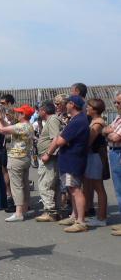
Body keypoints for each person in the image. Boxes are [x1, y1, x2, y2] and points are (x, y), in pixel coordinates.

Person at [43, 95, 90, 233]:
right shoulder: (77, 119)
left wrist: (51, 150)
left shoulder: (77, 121)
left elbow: (60, 140)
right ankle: (75, 216)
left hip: (72, 161)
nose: (65, 105)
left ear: (73, 104)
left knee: (75, 189)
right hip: (69, 159)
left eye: (67, 102)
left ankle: (81, 221)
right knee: (71, 189)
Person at [0, 104, 34, 222]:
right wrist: (1, 119)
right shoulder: (27, 126)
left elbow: (1, 130)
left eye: (19, 112)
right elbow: (9, 127)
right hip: (24, 157)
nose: (17, 114)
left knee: (16, 186)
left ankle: (18, 213)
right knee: (24, 184)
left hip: (16, 158)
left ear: (23, 114)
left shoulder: (22, 126)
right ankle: (24, 208)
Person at [35, 100, 62, 222]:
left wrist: (48, 153)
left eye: (39, 110)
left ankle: (50, 211)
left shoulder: (53, 120)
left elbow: (56, 138)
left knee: (46, 184)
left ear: (43, 111)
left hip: (49, 158)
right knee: (51, 183)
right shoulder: (50, 120)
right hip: (49, 157)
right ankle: (54, 210)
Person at [84, 99, 108, 227]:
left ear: (95, 109)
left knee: (99, 187)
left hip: (96, 155)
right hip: (93, 155)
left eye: (89, 106)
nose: (87, 108)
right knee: (95, 185)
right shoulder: (94, 121)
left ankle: (102, 217)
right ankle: (100, 216)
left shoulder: (97, 122)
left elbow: (89, 140)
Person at [103, 90, 121, 236]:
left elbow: (114, 136)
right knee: (118, 189)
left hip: (119, 152)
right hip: (115, 152)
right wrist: (108, 132)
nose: (116, 105)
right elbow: (105, 129)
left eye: (119, 102)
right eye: (115, 102)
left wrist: (108, 133)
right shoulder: (118, 118)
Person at [0, 94, 16, 212]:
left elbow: (10, 128)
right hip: (6, 145)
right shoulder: (4, 114)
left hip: (13, 147)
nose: (1, 105)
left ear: (10, 103)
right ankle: (10, 197)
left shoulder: (14, 113)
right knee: (5, 171)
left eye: (3, 103)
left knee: (13, 175)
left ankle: (14, 200)